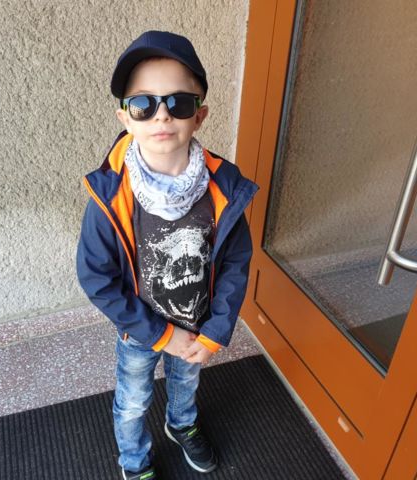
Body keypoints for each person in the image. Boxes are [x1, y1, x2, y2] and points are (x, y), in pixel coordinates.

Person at [76, 30, 258, 480]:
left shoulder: (222, 190)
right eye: (143, 104)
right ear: (125, 117)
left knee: (186, 385)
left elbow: (235, 264)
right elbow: (97, 277)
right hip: (141, 330)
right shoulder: (111, 194)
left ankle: (181, 425)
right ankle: (134, 461)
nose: (161, 114)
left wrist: (216, 329)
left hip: (197, 325)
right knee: (133, 399)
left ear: (199, 116)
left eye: (178, 103)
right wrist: (159, 333)